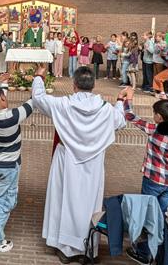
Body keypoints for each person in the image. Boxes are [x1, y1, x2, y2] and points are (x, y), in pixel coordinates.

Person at [32, 66, 126, 262]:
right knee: (89, 204)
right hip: (93, 163)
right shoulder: (105, 109)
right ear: (93, 85)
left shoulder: (63, 104)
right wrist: (119, 101)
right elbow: (120, 121)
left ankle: (64, 249)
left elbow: (38, 98)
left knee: (64, 199)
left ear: (74, 85)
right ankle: (86, 248)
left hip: (67, 158)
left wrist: (39, 77)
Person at [125, 98, 168, 264]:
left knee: (149, 217)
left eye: (154, 113)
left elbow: (131, 116)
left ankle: (145, 252)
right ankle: (162, 255)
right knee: (161, 218)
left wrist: (127, 99)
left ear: (159, 116)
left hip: (153, 180)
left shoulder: (155, 129)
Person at [0, 80, 35, 256]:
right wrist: (38, 78)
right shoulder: (13, 116)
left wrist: (3, 83)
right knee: (3, 203)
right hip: (8, 167)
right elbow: (33, 102)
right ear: (2, 98)